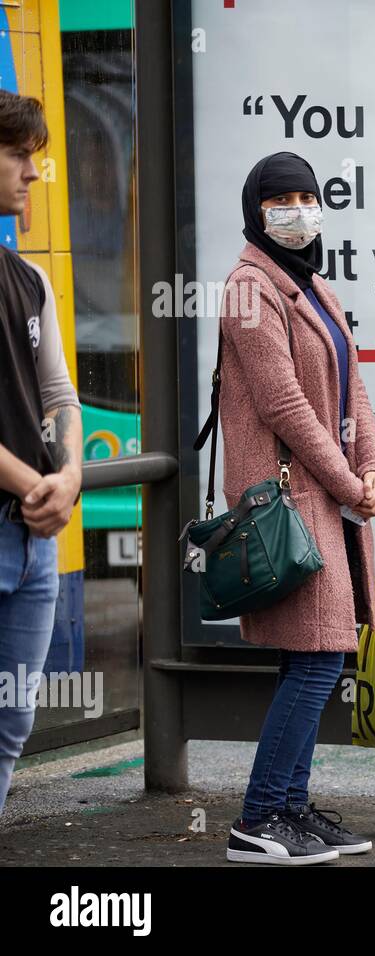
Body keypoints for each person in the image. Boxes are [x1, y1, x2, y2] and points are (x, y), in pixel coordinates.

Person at [219, 152, 375, 864]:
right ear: (256, 210)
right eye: (280, 199)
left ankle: (290, 808)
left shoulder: (313, 283)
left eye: (305, 196)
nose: (296, 210)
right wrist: (352, 486)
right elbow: (282, 403)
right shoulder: (246, 287)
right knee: (319, 659)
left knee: (312, 658)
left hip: (327, 496)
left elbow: (352, 385)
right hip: (290, 501)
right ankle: (260, 817)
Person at [0, 91, 81, 817]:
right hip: (23, 514)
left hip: (32, 539)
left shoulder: (28, 279)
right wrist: (39, 485)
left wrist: (74, 475)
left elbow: (59, 392)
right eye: (19, 155)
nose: (33, 172)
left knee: (11, 723)